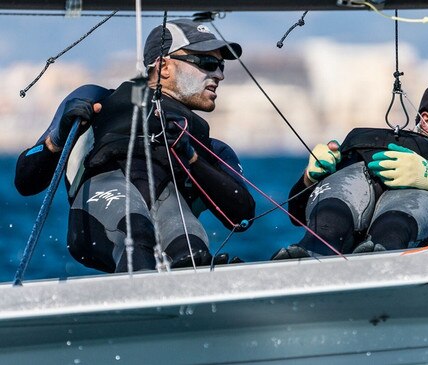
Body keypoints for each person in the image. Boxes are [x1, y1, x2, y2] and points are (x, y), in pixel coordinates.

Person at [14, 19, 255, 272]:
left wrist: (191, 157)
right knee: (137, 234)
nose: (220, 74)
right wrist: (58, 138)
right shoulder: (96, 100)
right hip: (103, 212)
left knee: (191, 251)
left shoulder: (208, 146)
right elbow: (25, 181)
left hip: (169, 210)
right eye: (208, 63)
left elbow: (242, 218)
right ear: (163, 67)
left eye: (221, 65)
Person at [273, 77, 428, 259]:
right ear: (426, 121)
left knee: (413, 202)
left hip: (406, 271)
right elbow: (296, 214)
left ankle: (382, 249)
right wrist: (309, 180)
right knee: (345, 189)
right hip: (328, 250)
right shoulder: (364, 150)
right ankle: (310, 253)